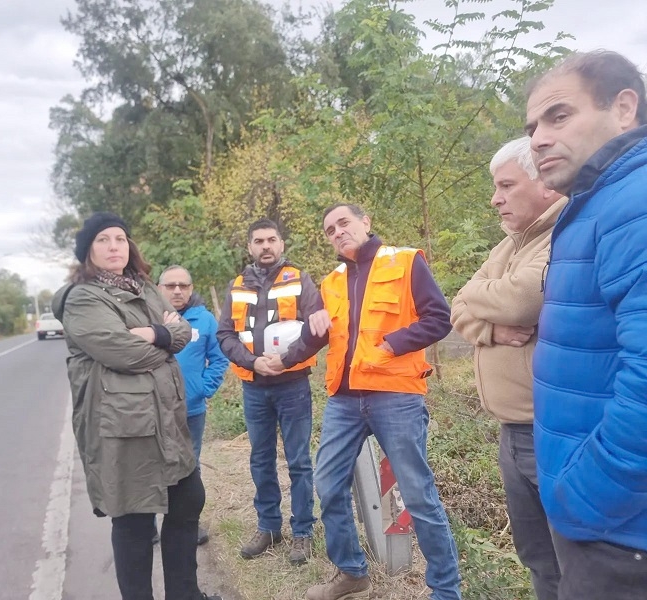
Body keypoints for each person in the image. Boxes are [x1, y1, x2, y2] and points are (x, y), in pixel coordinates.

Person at [276, 204, 460, 600]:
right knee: (327, 483)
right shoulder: (332, 282)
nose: (337, 232)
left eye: (344, 223)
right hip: (344, 399)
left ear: (366, 222)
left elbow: (439, 319)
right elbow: (320, 337)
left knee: (417, 494)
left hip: (396, 395)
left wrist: (391, 346)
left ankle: (445, 591)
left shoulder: (406, 261)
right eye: (329, 229)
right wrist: (285, 357)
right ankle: (351, 572)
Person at [524, 50, 647, 599]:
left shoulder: (634, 203)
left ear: (624, 109)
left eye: (558, 116)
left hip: (619, 532)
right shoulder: (596, 202)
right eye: (532, 127)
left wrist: (585, 495)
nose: (538, 139)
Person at [52, 212, 220, 600]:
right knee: (135, 524)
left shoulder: (145, 287)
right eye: (103, 240)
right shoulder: (82, 299)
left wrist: (157, 333)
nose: (114, 246)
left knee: (187, 501)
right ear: (87, 251)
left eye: (120, 239)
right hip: (123, 428)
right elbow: (124, 352)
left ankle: (185, 594)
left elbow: (183, 331)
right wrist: (164, 341)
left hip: (166, 420)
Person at [451, 137, 565, 600]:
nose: (495, 199)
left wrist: (492, 300)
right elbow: (459, 302)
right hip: (513, 432)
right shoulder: (509, 245)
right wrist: (492, 331)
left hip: (552, 431)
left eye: (505, 186)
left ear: (543, 183)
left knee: (575, 558)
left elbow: (521, 300)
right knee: (537, 555)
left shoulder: (563, 232)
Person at [217, 218, 320, 565]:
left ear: (281, 244)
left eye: (271, 240)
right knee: (260, 459)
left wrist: (285, 359)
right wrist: (252, 362)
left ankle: (303, 531)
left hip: (293, 385)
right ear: (249, 247)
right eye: (258, 241)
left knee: (299, 462)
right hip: (254, 387)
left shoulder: (300, 280)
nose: (265, 246)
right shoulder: (236, 286)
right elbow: (225, 336)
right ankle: (269, 527)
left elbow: (317, 329)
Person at [158, 264, 229, 545]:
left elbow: (220, 358)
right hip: (156, 409)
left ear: (191, 289)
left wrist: (203, 388)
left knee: (190, 466)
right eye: (171, 285)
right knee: (153, 465)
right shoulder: (148, 317)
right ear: (159, 288)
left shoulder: (205, 319)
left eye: (184, 285)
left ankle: (188, 524)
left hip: (191, 410)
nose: (177, 290)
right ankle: (154, 523)